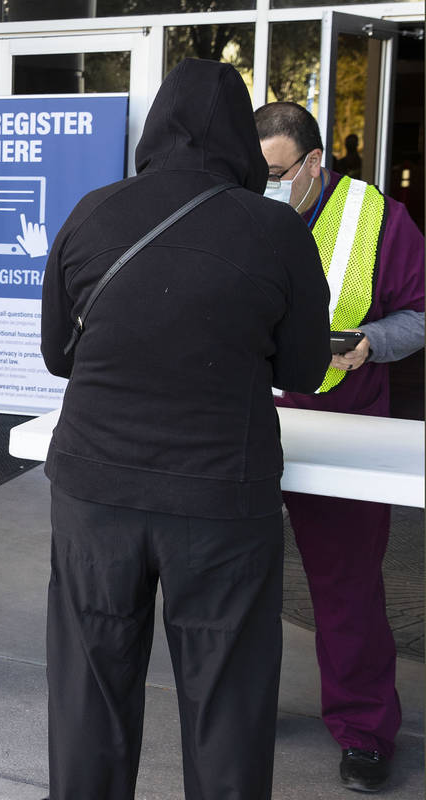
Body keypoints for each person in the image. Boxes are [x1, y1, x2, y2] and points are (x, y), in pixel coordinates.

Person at [39, 60, 331, 799]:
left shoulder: (91, 213)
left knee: (89, 703)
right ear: (240, 136)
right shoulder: (276, 230)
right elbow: (303, 369)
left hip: (94, 493)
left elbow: (56, 355)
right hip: (222, 503)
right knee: (227, 708)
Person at [255, 100, 425, 793]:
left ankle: (364, 733)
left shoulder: (378, 217)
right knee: (239, 584)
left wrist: (370, 346)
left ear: (315, 163)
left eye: (276, 172)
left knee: (347, 588)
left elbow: (419, 313)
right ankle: (242, 708)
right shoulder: (233, 208)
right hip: (247, 425)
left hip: (343, 421)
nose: (263, 185)